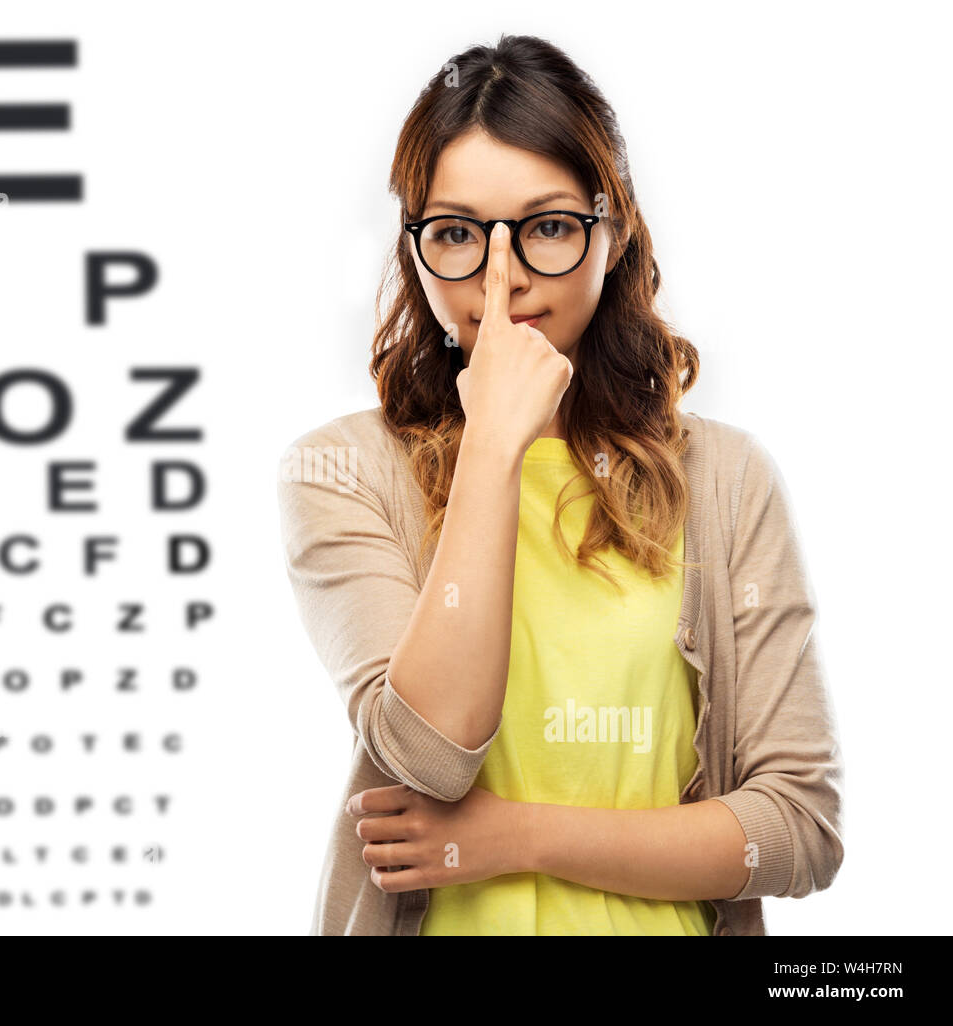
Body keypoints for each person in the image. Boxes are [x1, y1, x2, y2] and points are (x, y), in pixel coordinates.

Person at [275, 33, 843, 936]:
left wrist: (513, 838)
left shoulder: (728, 480)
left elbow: (799, 828)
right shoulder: (344, 473)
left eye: (545, 227)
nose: (501, 282)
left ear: (610, 231)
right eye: (457, 234)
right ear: (414, 250)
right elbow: (430, 751)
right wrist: (495, 442)